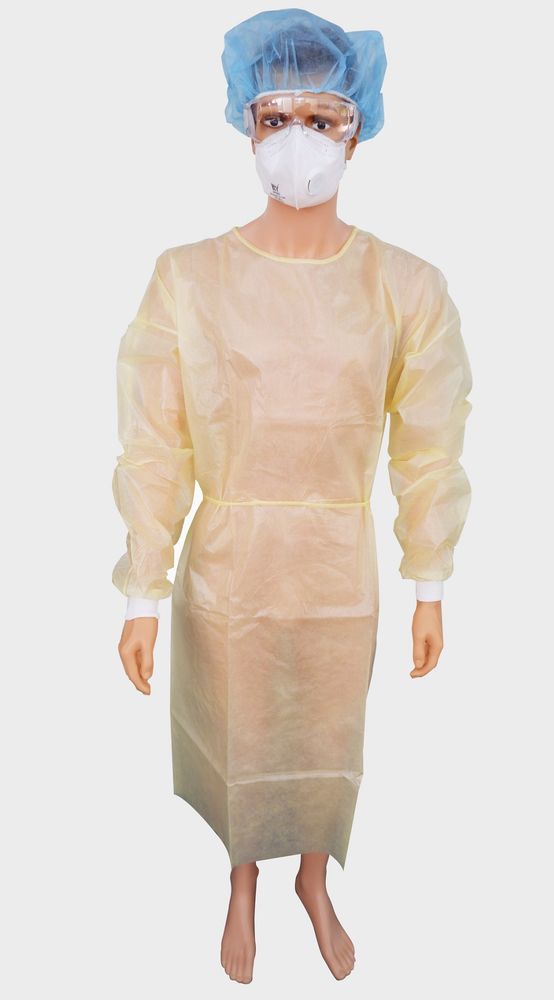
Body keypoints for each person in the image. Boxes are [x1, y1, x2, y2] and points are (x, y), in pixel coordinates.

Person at [111, 8, 472, 985]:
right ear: (246, 124)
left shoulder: (403, 286)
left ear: (358, 129)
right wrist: (142, 590)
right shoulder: (188, 278)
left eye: (322, 117)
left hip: (335, 567)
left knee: (321, 728)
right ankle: (241, 883)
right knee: (236, 729)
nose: (298, 141)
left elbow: (429, 442)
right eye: (277, 118)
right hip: (227, 564)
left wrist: (429, 579)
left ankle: (312, 879)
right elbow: (154, 440)